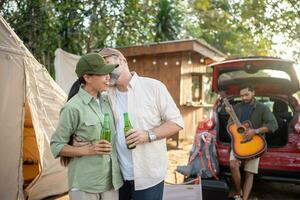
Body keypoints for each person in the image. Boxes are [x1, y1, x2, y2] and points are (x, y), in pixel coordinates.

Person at [99, 48, 184, 200]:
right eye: (101, 68)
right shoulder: (105, 95)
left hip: (148, 176)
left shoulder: (153, 87)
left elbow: (176, 122)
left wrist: (148, 135)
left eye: (107, 63)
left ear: (122, 60)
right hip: (117, 176)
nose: (105, 70)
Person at [50, 53, 123, 200]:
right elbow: (56, 146)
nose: (108, 76)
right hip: (85, 185)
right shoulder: (72, 108)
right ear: (87, 77)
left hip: (111, 182)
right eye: (103, 73)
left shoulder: (106, 100)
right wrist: (87, 149)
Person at [228, 84, 278, 200]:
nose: (244, 98)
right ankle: (238, 192)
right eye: (241, 96)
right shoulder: (237, 107)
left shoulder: (263, 108)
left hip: (255, 144)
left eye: (246, 94)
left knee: (249, 173)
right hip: (239, 142)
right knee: (233, 165)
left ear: (253, 92)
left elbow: (273, 124)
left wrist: (255, 131)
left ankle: (244, 199)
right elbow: (230, 125)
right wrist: (231, 115)